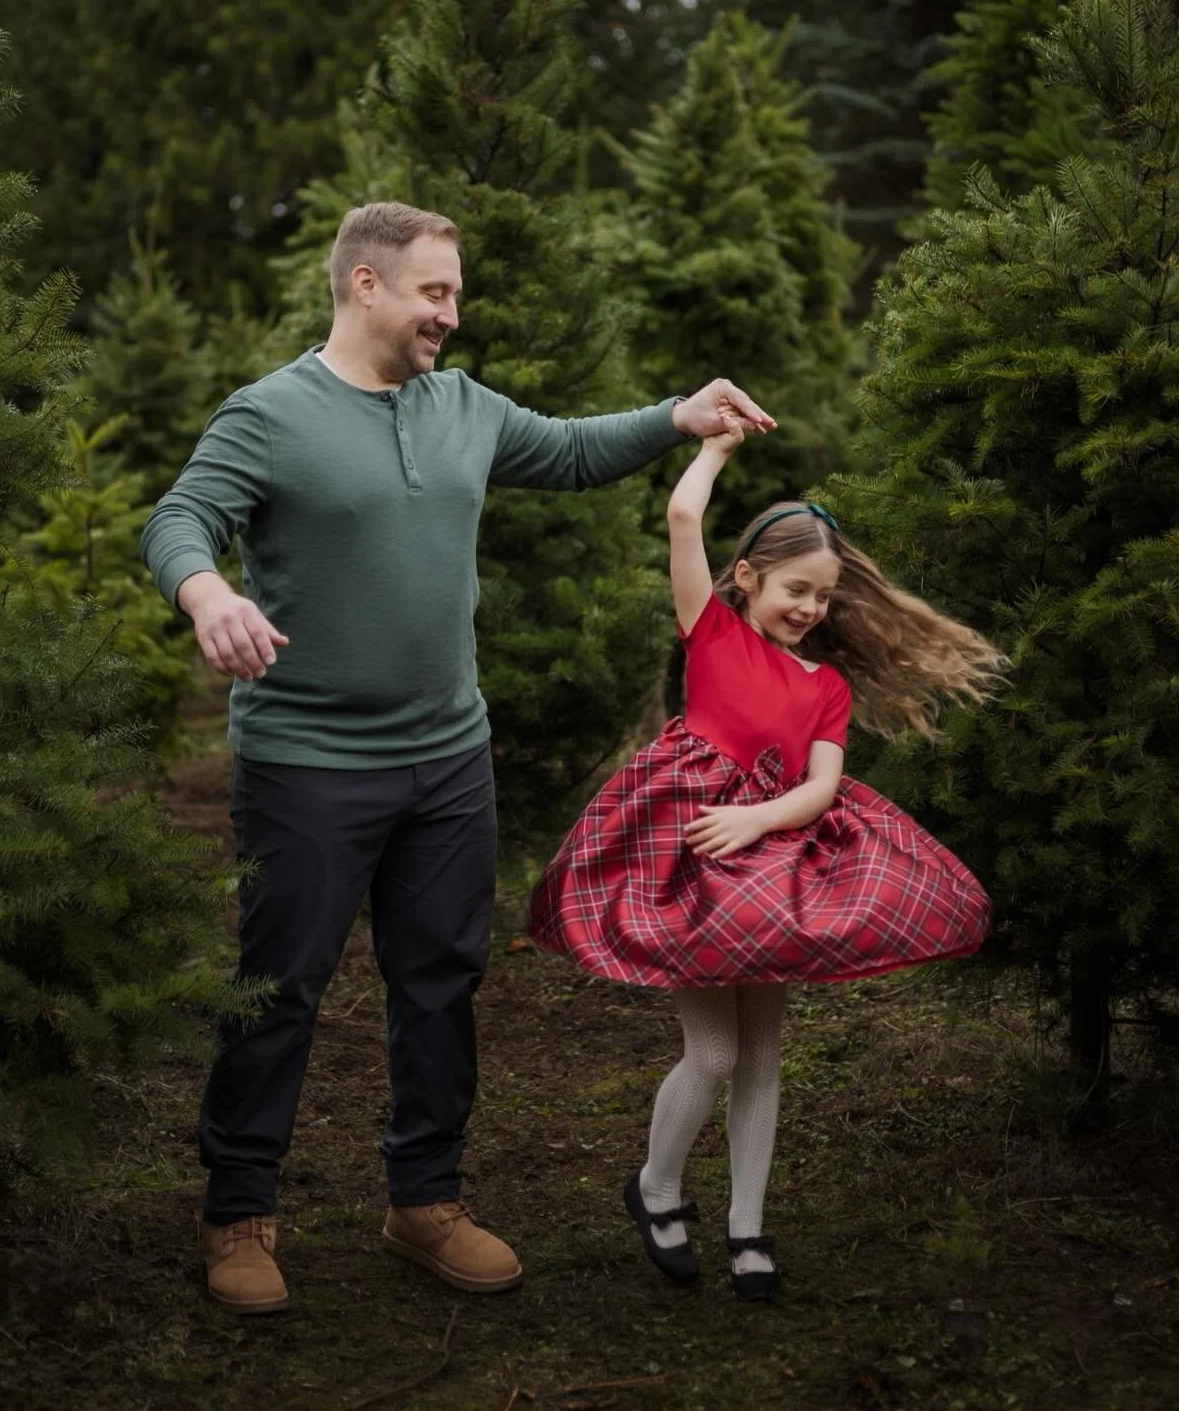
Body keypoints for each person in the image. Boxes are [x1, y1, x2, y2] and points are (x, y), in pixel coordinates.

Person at [140, 200, 774, 1315]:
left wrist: (676, 415)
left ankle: (423, 1202)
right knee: (278, 989)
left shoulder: (463, 406)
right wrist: (205, 592)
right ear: (366, 285)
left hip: (447, 760)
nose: (452, 313)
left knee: (439, 983)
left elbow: (573, 451)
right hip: (307, 765)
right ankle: (239, 1213)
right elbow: (181, 518)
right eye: (436, 292)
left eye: (457, 293)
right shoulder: (271, 414)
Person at [528, 413, 1005, 1302]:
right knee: (711, 1054)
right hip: (697, 862)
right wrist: (712, 450)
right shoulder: (711, 631)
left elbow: (822, 788)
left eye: (823, 598)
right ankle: (656, 1187)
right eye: (796, 589)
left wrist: (759, 823)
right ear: (746, 577)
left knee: (763, 1056)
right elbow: (681, 521)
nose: (811, 610)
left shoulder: (827, 687)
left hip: (776, 864)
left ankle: (749, 1222)